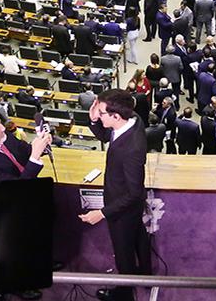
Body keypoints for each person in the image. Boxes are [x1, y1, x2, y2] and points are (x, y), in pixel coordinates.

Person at [81, 91, 152, 300]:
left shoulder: (132, 150)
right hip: (128, 204)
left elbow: (134, 192)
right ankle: (146, 274)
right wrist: (93, 120)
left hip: (122, 207)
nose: (98, 114)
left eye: (101, 112)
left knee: (123, 253)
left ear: (116, 116)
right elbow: (105, 135)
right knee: (139, 236)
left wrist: (101, 213)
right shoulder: (132, 119)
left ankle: (124, 294)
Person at [0, 112, 51, 179]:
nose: (3, 128)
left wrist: (42, 145)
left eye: (0, 123)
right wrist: (34, 157)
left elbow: (23, 148)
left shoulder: (3, 135)